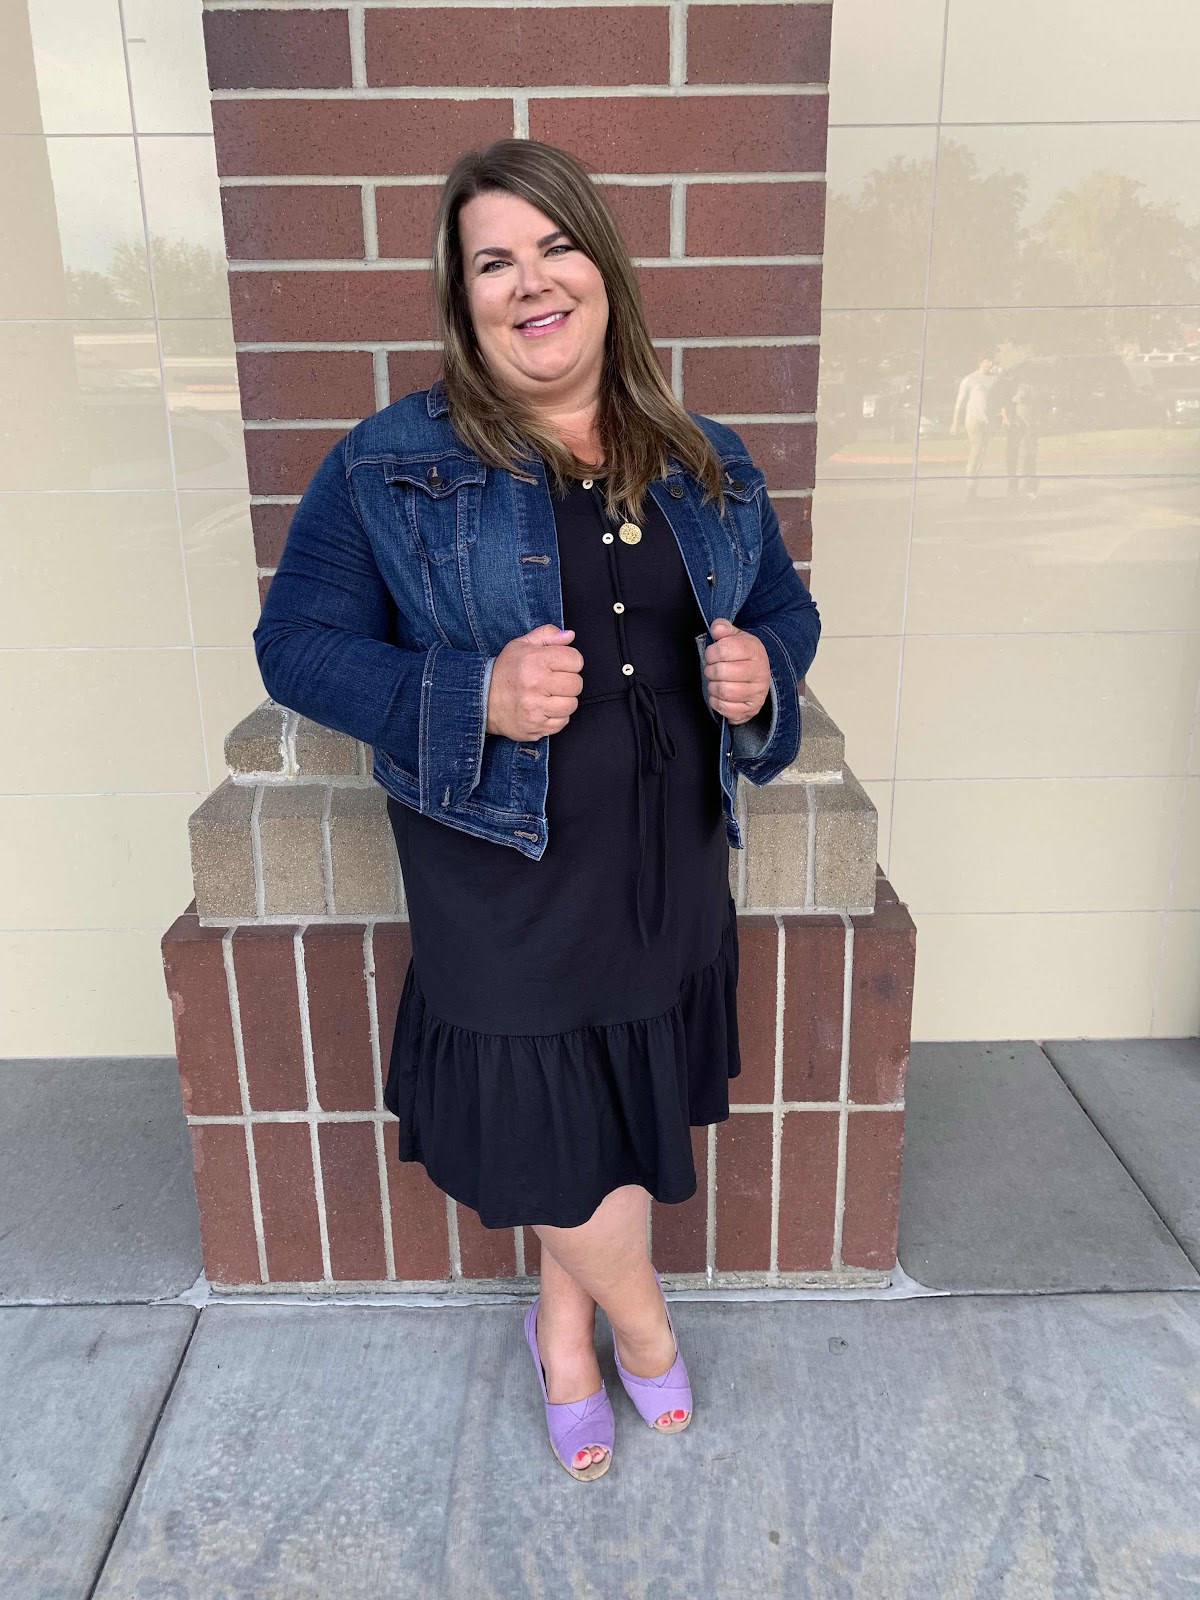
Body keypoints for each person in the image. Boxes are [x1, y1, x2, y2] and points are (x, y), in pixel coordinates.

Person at [252, 138, 821, 1482]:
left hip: (666, 857)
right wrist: (474, 696)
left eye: (556, 248)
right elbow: (298, 648)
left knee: (608, 1100)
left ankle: (562, 1332)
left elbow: (782, 608)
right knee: (546, 1117)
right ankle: (644, 1324)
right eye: (494, 262)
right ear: (464, 300)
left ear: (603, 269)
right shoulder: (389, 464)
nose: (532, 283)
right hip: (500, 869)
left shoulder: (706, 456)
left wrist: (762, 675)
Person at [951, 351, 997, 496]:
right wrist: (955, 422)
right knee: (976, 448)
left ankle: (974, 486)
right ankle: (970, 483)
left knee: (982, 451)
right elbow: (960, 401)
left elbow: (997, 399)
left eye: (992, 361)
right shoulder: (970, 379)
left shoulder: (994, 379)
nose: (991, 364)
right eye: (988, 361)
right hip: (973, 418)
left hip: (987, 419)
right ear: (981, 362)